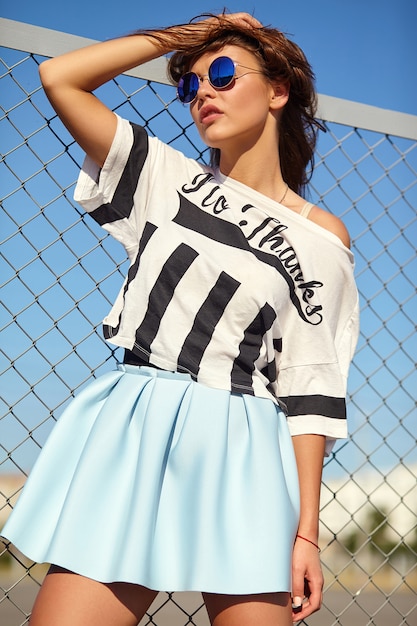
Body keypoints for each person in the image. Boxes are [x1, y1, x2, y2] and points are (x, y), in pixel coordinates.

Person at [1, 11, 359, 626]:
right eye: (190, 85)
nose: (203, 94)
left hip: (244, 444)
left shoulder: (319, 235)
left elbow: (310, 384)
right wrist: (197, 33)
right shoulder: (165, 178)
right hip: (138, 424)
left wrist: (306, 533)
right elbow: (61, 77)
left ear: (277, 90)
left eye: (222, 74)